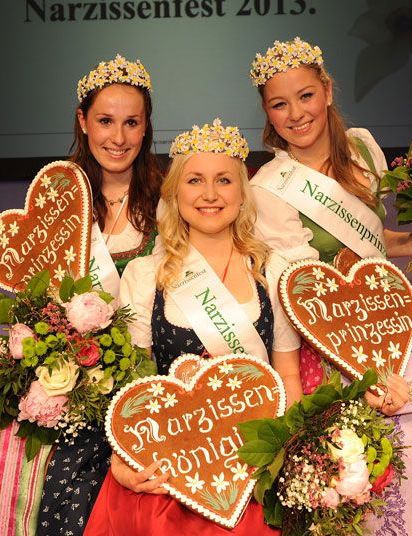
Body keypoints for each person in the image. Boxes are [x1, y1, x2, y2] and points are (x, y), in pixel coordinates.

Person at [248, 37, 412, 534]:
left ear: (327, 91)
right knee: (362, 456)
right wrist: (367, 361)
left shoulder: (364, 147)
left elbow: (371, 239)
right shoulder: (267, 188)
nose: (296, 113)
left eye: (305, 95)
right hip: (329, 337)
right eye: (279, 104)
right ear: (267, 113)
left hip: (387, 319)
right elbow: (297, 282)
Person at [83, 119, 302, 535]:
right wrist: (122, 458)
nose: (209, 195)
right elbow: (132, 385)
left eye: (223, 180)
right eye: (195, 180)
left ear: (242, 192)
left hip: (253, 468)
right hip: (169, 474)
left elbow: (288, 375)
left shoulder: (273, 272)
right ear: (176, 193)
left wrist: (284, 454)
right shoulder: (145, 277)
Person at [36, 55, 163, 535]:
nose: (119, 137)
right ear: (83, 121)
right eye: (106, 121)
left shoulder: (168, 199)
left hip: (145, 387)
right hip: (72, 394)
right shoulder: (57, 199)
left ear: (146, 126)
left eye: (132, 122)